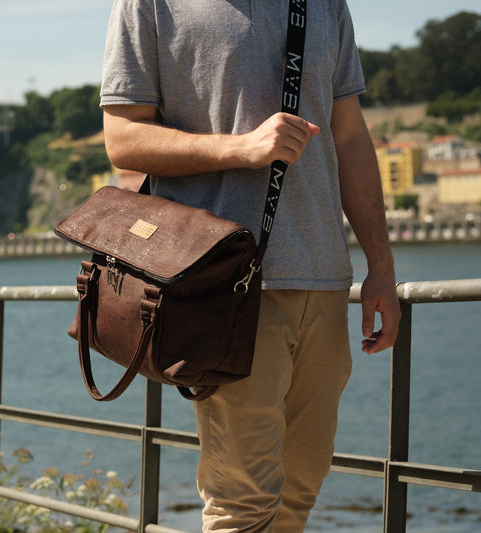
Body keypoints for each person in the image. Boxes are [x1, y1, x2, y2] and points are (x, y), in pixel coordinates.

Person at [99, 1, 401, 531]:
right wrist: (240, 148)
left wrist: (381, 266)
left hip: (325, 279)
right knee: (244, 503)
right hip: (223, 286)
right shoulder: (150, 5)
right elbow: (123, 138)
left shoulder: (325, 3)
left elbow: (350, 136)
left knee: (299, 491)